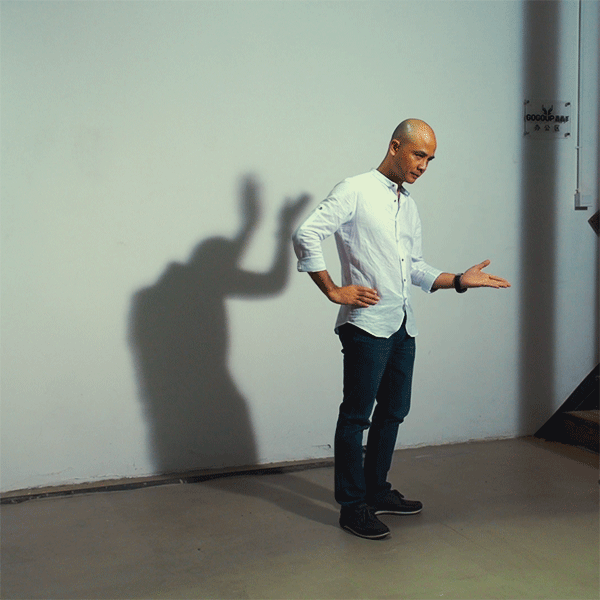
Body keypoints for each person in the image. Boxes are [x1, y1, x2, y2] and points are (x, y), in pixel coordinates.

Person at [292, 119, 511, 540]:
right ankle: (352, 506)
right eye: (418, 155)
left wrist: (460, 280)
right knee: (356, 417)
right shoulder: (354, 189)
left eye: (430, 159)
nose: (424, 166)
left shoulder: (407, 204)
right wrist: (333, 290)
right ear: (395, 147)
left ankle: (376, 491)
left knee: (394, 411)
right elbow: (306, 234)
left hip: (402, 324)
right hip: (367, 326)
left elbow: (415, 267)